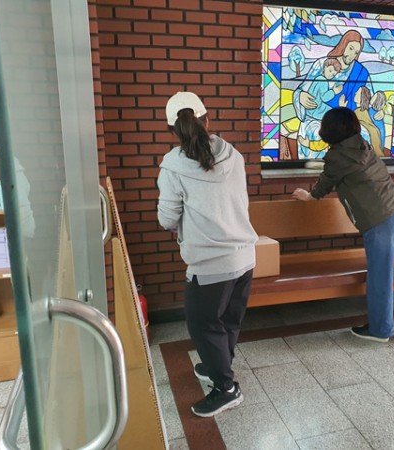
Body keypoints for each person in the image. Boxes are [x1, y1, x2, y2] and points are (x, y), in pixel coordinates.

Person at [291, 107, 394, 342]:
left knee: (380, 274)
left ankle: (380, 330)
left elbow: (324, 185)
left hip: (379, 219)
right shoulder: (363, 146)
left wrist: (308, 196)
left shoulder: (336, 157)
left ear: (329, 130)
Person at [157, 92, 258, 417]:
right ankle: (219, 365)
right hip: (244, 256)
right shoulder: (233, 155)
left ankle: (226, 388)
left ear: (173, 129)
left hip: (210, 262)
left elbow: (166, 218)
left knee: (203, 325)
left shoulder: (173, 166)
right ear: (207, 119)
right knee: (228, 320)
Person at [293, 30, 381, 158]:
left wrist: (381, 110)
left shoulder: (361, 72)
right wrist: (300, 96)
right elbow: (302, 88)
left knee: (364, 135)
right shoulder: (323, 64)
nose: (352, 55)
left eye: (356, 52)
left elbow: (369, 100)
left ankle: (354, 168)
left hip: (349, 123)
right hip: (317, 118)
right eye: (350, 48)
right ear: (343, 45)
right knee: (318, 135)